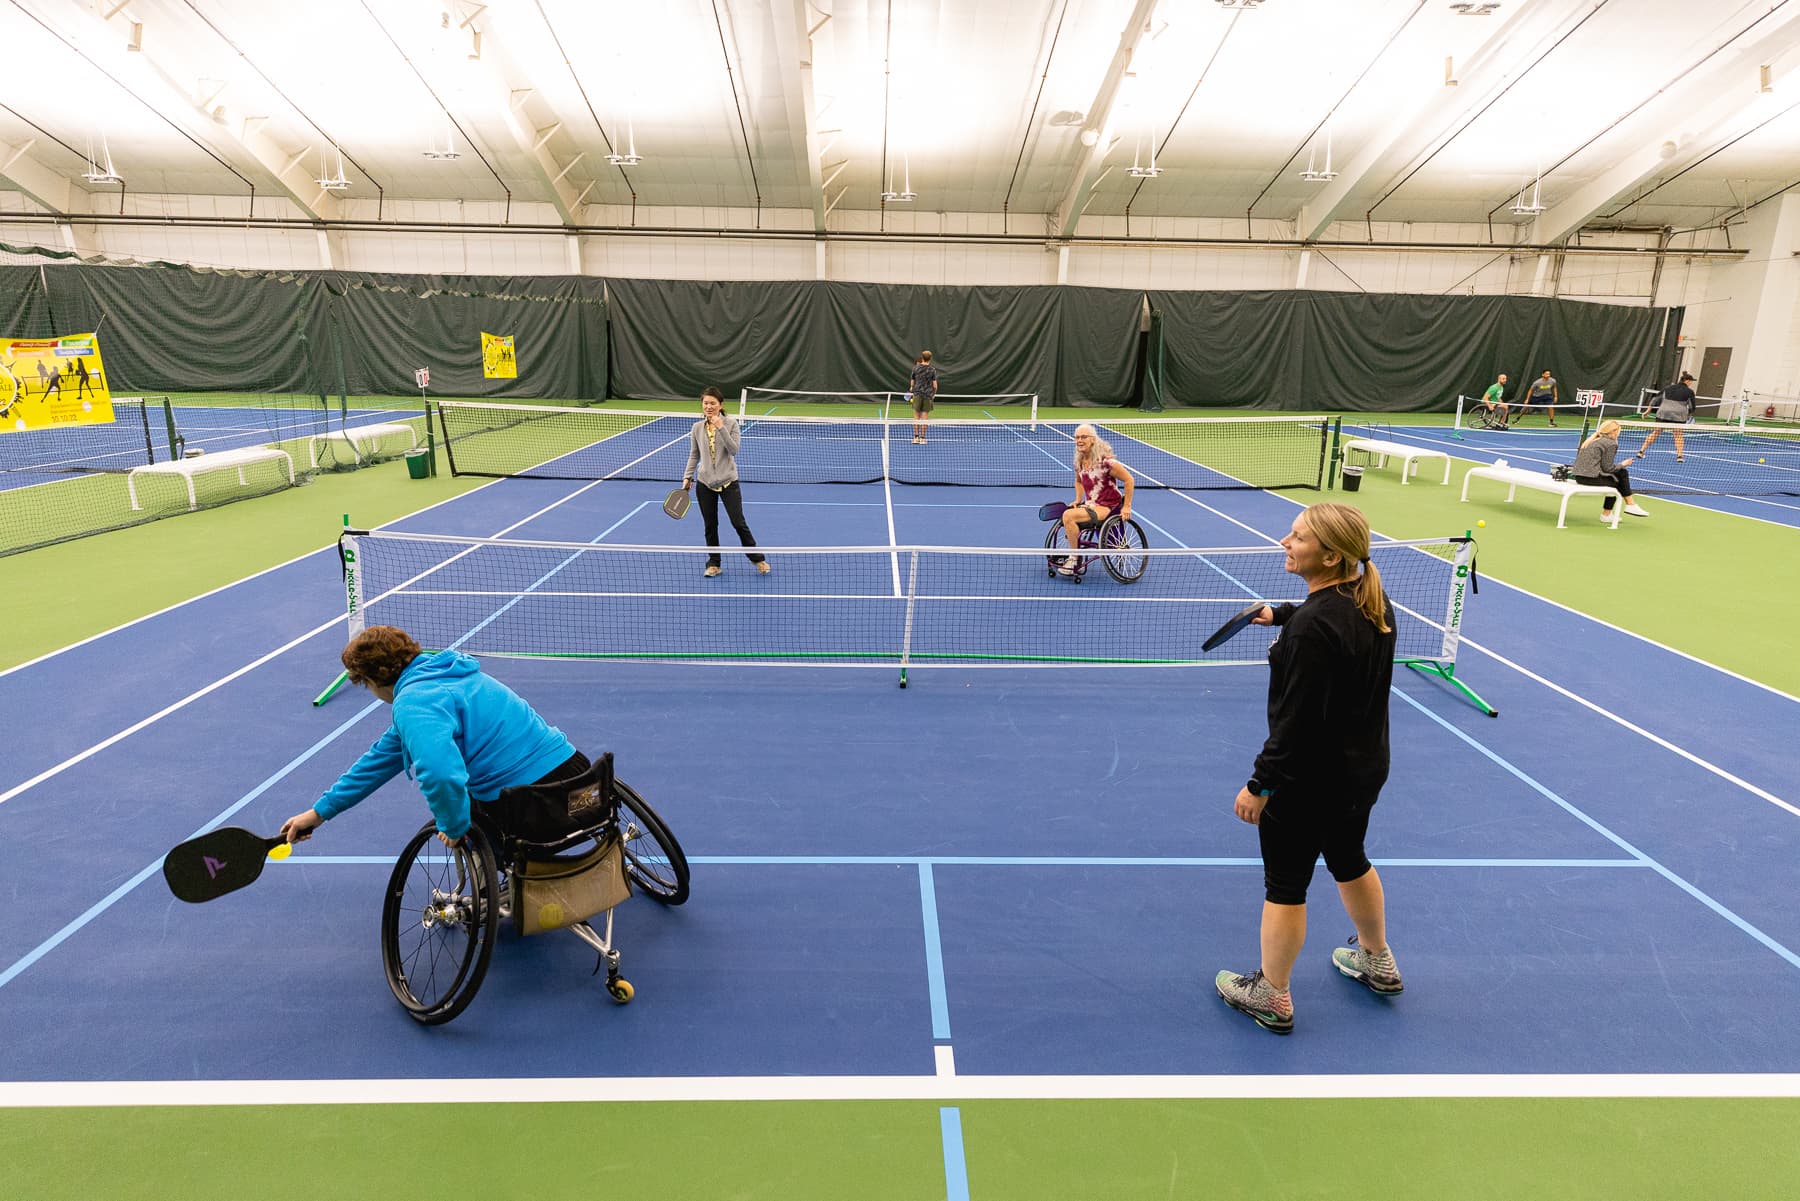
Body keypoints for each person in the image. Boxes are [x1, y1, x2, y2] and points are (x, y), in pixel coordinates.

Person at [1214, 502, 1402, 1035]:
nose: (1284, 542)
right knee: (1349, 857)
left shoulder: (1312, 632)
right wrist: (1284, 612)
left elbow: (1295, 724)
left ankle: (1272, 994)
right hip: (1362, 773)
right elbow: (1328, 623)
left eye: (1297, 538)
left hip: (1306, 781)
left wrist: (1260, 784)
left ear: (1331, 554)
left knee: (1286, 884)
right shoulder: (1373, 602)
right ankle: (1377, 959)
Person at [280, 626, 587, 848]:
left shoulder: (414, 702)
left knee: (462, 814)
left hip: (529, 804)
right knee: (466, 800)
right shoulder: (454, 672)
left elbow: (440, 774)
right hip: (579, 777)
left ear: (371, 681)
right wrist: (320, 812)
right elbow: (377, 762)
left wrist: (454, 826)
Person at [681, 385, 769, 577]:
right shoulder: (696, 428)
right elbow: (694, 455)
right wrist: (687, 476)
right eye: (706, 403)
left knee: (738, 522)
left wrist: (720, 428)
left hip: (729, 482)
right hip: (705, 484)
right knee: (710, 525)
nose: (709, 406)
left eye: (713, 403)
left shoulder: (731, 424)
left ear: (720, 405)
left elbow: (734, 449)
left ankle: (758, 559)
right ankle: (714, 563)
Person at [1057, 424, 1135, 577]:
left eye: (1083, 437)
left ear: (1092, 440)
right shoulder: (1079, 462)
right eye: (1077, 437)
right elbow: (1079, 481)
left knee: (1068, 515)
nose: (1079, 440)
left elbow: (1129, 480)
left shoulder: (1107, 463)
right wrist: (1078, 499)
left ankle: (1075, 559)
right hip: (1091, 505)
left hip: (1108, 507)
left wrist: (1127, 506)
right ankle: (1075, 550)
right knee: (1065, 513)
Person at [1573, 418, 1651, 520]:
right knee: (1620, 479)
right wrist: (1623, 464)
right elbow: (1608, 468)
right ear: (1614, 431)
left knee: (1620, 474)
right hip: (1590, 478)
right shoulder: (1610, 443)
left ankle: (1621, 509)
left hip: (1579, 477)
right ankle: (1624, 508)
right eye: (1618, 431)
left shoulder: (1592, 440)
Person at [1638, 371, 1697, 461]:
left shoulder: (1667, 388)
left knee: (1655, 433)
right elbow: (1692, 407)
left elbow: (1655, 399)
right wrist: (1689, 415)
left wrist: (1647, 411)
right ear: (1687, 381)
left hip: (1663, 414)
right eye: (1691, 381)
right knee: (1678, 435)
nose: (1691, 383)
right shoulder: (1690, 392)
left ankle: (1641, 451)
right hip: (1679, 416)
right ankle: (1679, 456)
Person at [908, 350, 939, 444]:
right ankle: (922, 438)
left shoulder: (915, 368)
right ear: (930, 358)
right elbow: (935, 386)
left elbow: (912, 381)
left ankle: (916, 437)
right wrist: (933, 394)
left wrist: (912, 388)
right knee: (925, 417)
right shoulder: (932, 370)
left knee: (916, 416)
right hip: (927, 395)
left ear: (922, 357)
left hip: (917, 394)